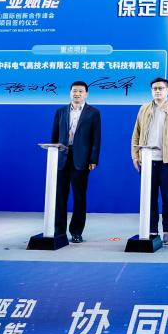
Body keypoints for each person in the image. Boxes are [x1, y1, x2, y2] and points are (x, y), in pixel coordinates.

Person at [131, 77, 168, 244]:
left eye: (160, 88)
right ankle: (152, 230)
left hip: (167, 161)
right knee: (149, 198)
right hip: (147, 161)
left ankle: (167, 231)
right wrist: (135, 156)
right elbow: (136, 134)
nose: (157, 91)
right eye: (154, 88)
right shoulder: (144, 109)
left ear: (167, 90)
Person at [51, 81, 101, 243]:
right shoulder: (60, 112)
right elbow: (54, 135)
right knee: (59, 196)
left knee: (79, 196)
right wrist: (54, 156)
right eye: (74, 91)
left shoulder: (93, 113)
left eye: (80, 91)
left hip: (82, 159)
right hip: (62, 158)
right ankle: (59, 230)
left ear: (86, 94)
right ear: (70, 93)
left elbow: (96, 138)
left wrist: (93, 159)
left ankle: (76, 232)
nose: (77, 94)